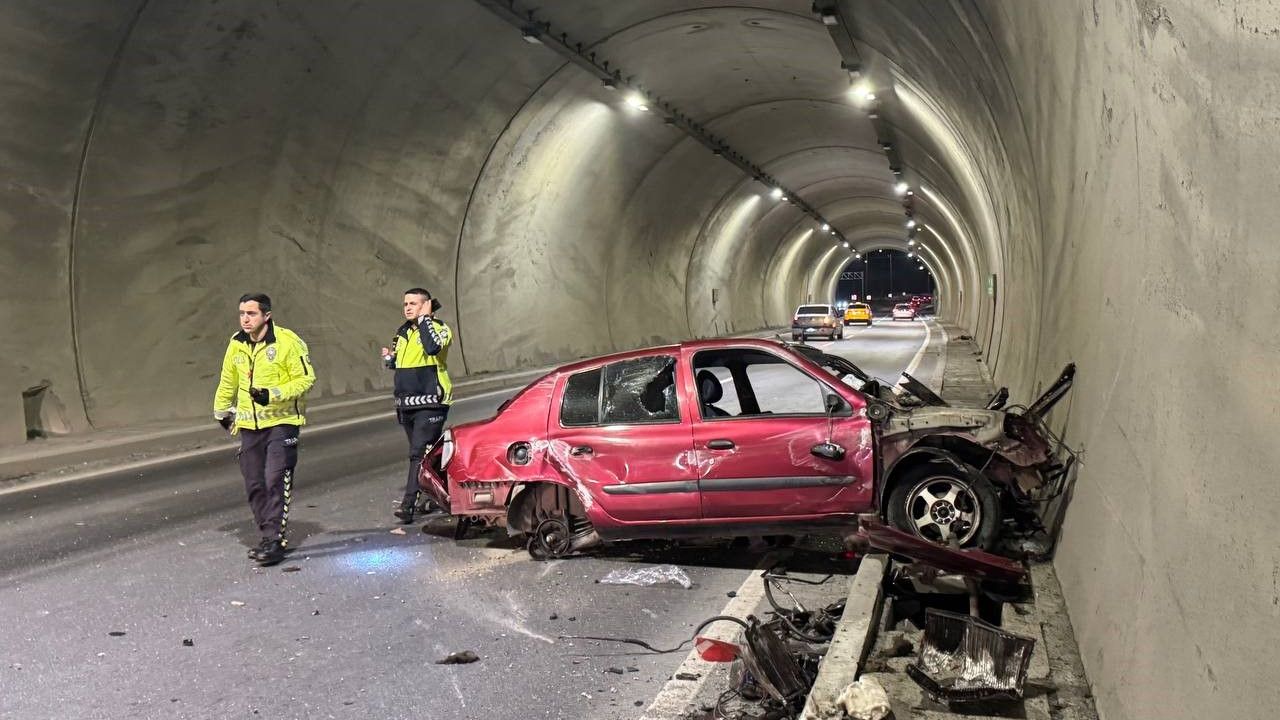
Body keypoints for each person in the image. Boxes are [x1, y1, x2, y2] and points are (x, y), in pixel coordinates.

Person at [213, 293, 316, 565]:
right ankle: (267, 535)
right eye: (242, 313)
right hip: (249, 425)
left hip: (282, 423)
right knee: (254, 483)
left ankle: (274, 540)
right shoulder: (237, 343)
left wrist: (273, 394)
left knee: (275, 479)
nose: (245, 319)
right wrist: (221, 410)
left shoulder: (287, 342)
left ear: (266, 315)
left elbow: (306, 379)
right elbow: (228, 379)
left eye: (251, 313)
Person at [380, 288, 453, 523]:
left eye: (413, 303)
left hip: (431, 401)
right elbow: (401, 363)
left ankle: (408, 504)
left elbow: (432, 348)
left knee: (417, 453)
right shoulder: (402, 333)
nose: (408, 308)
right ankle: (442, 494)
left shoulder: (439, 328)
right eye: (405, 304)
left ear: (426, 305)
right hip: (406, 403)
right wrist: (390, 359)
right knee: (426, 455)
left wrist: (425, 319)